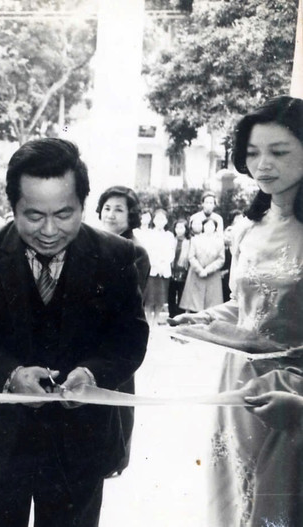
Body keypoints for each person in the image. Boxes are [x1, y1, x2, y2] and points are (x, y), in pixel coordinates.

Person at [0, 138, 149, 527]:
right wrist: (9, 376)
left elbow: (130, 339)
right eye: (34, 215)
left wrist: (93, 376)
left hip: (80, 445)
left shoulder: (118, 257)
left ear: (84, 205)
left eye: (64, 214)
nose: (50, 231)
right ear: (13, 207)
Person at [171, 96, 303, 527]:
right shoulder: (247, 227)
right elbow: (244, 306)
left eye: (279, 152)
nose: (263, 164)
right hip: (237, 387)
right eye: (252, 153)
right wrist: (205, 321)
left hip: (290, 395)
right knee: (233, 503)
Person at [94, 185, 150, 478]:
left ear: (131, 215)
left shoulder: (135, 250)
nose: (111, 214)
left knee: (119, 398)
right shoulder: (94, 242)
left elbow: (130, 299)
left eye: (119, 209)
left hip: (119, 336)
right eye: (107, 208)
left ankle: (117, 458)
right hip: (95, 335)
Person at [178, 218, 225, 312]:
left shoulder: (219, 241)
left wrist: (207, 270)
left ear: (215, 228)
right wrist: (200, 270)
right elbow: (191, 256)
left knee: (211, 304)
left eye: (212, 225)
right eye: (207, 225)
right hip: (196, 274)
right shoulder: (196, 239)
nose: (209, 228)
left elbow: (221, 259)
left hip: (212, 275)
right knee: (194, 303)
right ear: (203, 226)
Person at [142, 208, 175, 325]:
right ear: (153, 220)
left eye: (163, 219)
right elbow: (147, 251)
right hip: (152, 269)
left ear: (166, 221)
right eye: (157, 218)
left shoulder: (169, 236)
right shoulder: (149, 234)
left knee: (160, 300)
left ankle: (155, 322)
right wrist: (155, 264)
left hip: (164, 270)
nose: (160, 221)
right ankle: (148, 321)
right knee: (149, 298)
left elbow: (171, 253)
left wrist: (163, 264)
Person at [167, 219, 191, 318]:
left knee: (182, 295)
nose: (179, 230)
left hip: (184, 272)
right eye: (177, 227)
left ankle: (180, 316)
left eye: (182, 227)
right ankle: (171, 315)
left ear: (186, 229)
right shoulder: (171, 240)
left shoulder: (189, 242)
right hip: (171, 271)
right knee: (171, 295)